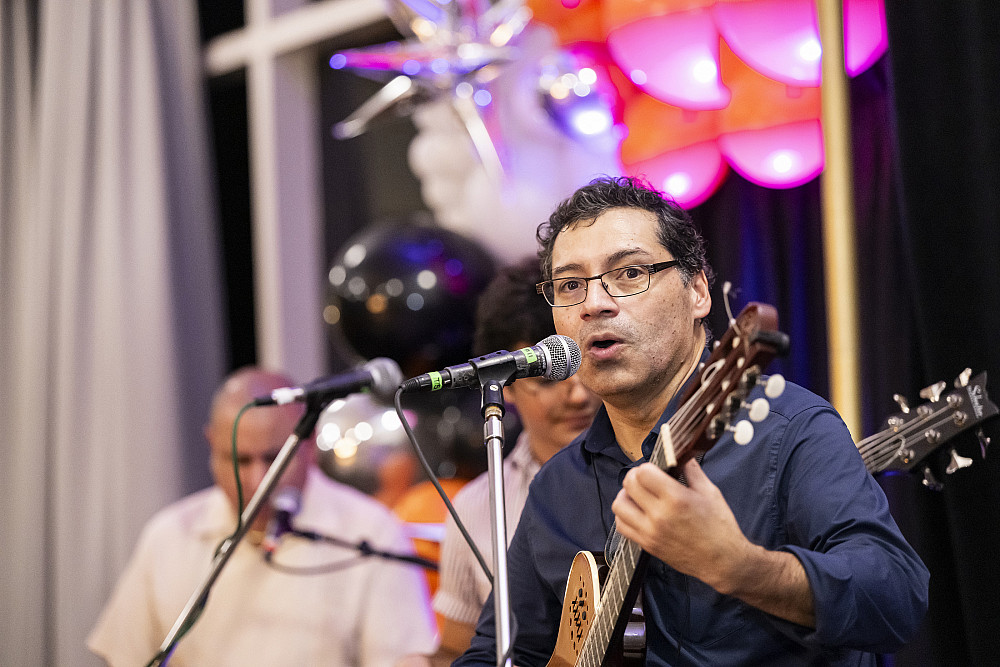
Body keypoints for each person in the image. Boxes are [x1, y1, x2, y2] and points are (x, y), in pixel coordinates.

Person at [454, 176, 929, 665]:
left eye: (630, 273)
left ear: (698, 291)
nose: (595, 303)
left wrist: (741, 567)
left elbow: (896, 598)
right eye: (571, 286)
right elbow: (497, 651)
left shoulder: (792, 428)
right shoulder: (558, 487)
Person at [88, 367, 437, 666]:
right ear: (212, 445)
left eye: (274, 458)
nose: (258, 481)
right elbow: (126, 656)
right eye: (240, 461)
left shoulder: (372, 533)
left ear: (308, 444)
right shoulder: (169, 535)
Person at [411, 257, 603, 664]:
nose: (578, 395)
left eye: (583, 365)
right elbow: (457, 649)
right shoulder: (476, 505)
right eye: (549, 377)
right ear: (505, 389)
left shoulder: (645, 468)